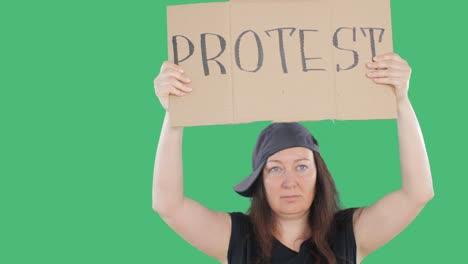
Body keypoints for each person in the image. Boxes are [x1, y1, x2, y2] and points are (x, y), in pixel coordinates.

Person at [152, 52, 434, 264]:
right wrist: (175, 115)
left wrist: (401, 101)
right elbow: (168, 205)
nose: (290, 182)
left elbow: (418, 193)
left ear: (318, 177)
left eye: (301, 166)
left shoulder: (349, 234)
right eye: (275, 169)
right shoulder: (238, 239)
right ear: (260, 181)